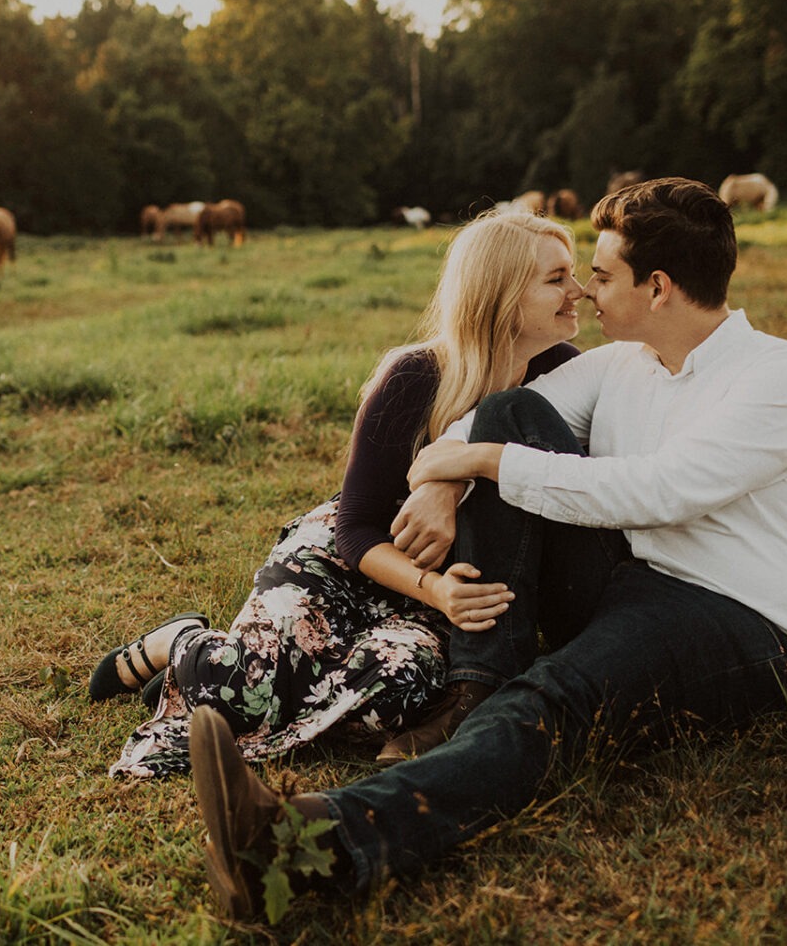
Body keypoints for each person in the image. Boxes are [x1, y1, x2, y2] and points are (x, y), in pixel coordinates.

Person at [188, 176, 787, 921]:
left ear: (657, 287)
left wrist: (484, 464)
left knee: (554, 700)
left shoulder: (782, 375)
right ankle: (477, 680)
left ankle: (304, 847)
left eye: (600, 275)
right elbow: (495, 419)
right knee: (509, 407)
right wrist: (439, 478)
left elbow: (659, 490)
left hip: (740, 618)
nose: (588, 294)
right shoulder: (623, 365)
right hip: (630, 581)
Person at [88, 210, 586, 778]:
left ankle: (257, 677)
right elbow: (356, 529)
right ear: (499, 293)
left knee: (401, 687)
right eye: (557, 278)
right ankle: (184, 644)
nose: (579, 291)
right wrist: (434, 590)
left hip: (444, 589)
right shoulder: (416, 377)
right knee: (250, 680)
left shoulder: (563, 375)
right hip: (355, 559)